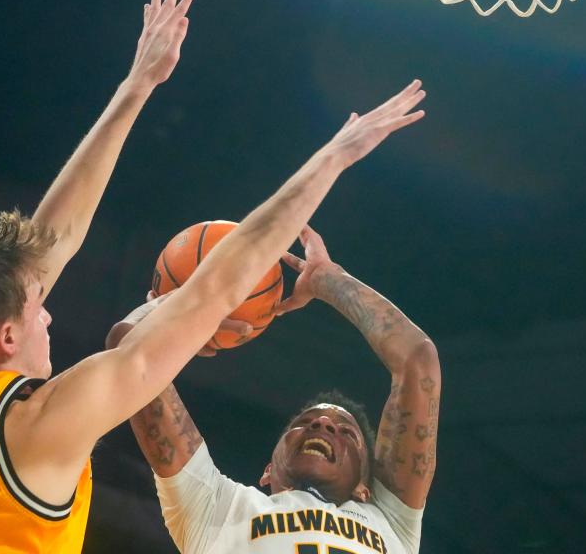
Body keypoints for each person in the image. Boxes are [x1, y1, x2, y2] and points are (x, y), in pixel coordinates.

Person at [0, 0, 427, 550]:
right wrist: (331, 160)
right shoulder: (41, 427)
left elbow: (49, 241)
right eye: (38, 305)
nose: (49, 311)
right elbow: (215, 290)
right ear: (6, 337)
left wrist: (137, 85)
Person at [115, 225, 440, 554]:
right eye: (304, 423)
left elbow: (418, 361)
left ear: (363, 488)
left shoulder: (391, 520)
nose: (322, 425)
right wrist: (172, 309)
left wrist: (328, 279)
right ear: (268, 470)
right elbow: (126, 352)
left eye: (346, 433)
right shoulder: (218, 506)